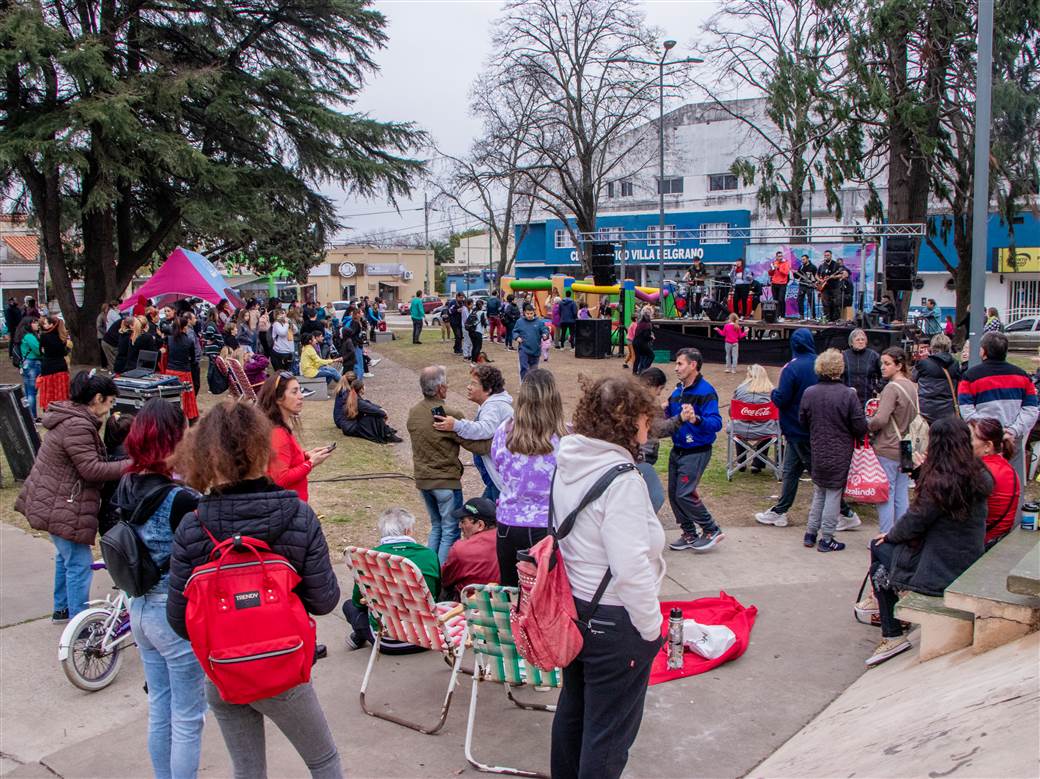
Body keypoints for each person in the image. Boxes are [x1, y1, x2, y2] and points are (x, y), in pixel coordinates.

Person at [165, 401, 342, 777]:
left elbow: (179, 620)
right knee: (323, 760)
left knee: (247, 770)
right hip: (282, 665)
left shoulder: (193, 526)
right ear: (262, 447)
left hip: (224, 668)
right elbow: (325, 599)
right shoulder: (297, 515)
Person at [550, 373, 665, 779]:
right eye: (645, 419)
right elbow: (630, 567)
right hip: (615, 620)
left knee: (575, 713)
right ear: (628, 420)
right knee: (608, 735)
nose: (649, 428)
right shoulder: (622, 480)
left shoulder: (568, 463)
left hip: (576, 611)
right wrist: (652, 629)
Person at [112, 399, 205, 779]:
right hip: (173, 613)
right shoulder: (180, 498)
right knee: (188, 716)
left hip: (138, 607)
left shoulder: (127, 482)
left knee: (161, 708)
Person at [864, 416, 992, 666]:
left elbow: (915, 521)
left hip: (939, 569)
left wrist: (889, 535)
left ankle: (892, 634)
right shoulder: (978, 473)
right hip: (966, 557)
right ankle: (884, 610)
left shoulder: (941, 483)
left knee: (878, 556)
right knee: (883, 557)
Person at [15, 371, 126, 621]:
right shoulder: (78, 425)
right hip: (63, 503)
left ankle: (62, 608)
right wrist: (134, 464)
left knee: (65, 558)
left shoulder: (70, 417)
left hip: (53, 499)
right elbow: (92, 469)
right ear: (98, 398)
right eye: (109, 402)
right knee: (78, 563)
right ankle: (80, 621)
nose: (110, 409)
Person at [755, 329, 861, 530]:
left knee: (819, 475)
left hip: (799, 428)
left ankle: (846, 513)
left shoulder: (792, 368)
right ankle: (780, 511)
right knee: (791, 470)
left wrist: (773, 393)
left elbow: (782, 398)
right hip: (813, 428)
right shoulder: (820, 363)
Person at [489, 368, 565, 586]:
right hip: (546, 525)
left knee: (511, 592)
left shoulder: (505, 432)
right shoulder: (564, 438)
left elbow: (498, 463)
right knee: (545, 596)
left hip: (509, 521)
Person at [343, 508, 440, 653]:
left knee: (349, 606)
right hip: (428, 636)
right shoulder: (429, 555)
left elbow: (358, 601)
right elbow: (436, 594)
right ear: (408, 531)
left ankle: (359, 635)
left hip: (387, 642)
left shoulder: (368, 559)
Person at [799, 349, 869, 551]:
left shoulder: (810, 392)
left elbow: (802, 420)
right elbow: (859, 425)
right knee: (833, 493)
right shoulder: (848, 394)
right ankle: (827, 537)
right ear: (840, 368)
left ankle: (811, 533)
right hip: (840, 449)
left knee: (819, 490)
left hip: (818, 447)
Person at [959, 331, 1038, 496]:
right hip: (1012, 438)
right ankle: (1014, 520)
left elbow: (966, 410)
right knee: (1013, 485)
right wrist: (1012, 431)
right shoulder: (1022, 376)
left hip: (983, 442)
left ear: (983, 351)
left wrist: (989, 433)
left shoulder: (970, 377)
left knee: (981, 486)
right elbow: (1031, 409)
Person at [666, 348, 725, 551]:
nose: (676, 368)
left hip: (697, 450)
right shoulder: (678, 390)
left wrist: (696, 419)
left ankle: (711, 529)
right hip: (678, 449)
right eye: (676, 364)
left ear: (693, 365)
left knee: (684, 493)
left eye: (680, 364)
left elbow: (716, 423)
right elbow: (669, 416)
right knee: (674, 494)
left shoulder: (706, 391)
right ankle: (689, 532)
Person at [406, 366, 466, 563]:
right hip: (445, 480)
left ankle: (429, 572)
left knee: (437, 526)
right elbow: (471, 440)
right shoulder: (449, 414)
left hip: (424, 479)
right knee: (450, 530)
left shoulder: (414, 412)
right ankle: (441, 575)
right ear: (441, 388)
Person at [432, 364, 513, 500]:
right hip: (497, 475)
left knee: (490, 513)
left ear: (488, 390)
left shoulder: (493, 406)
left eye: (474, 384)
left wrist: (456, 425)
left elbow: (484, 429)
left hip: (500, 478)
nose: (468, 387)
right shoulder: (492, 404)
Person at [257, 372, 333, 503]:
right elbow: (280, 479)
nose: (301, 396)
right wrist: (310, 463)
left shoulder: (279, 427)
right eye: (294, 392)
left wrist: (306, 456)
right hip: (287, 508)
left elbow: (285, 459)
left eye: (300, 391)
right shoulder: (277, 433)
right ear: (278, 398)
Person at [867, 347, 920, 534]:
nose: (883, 367)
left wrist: (869, 425)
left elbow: (881, 419)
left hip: (888, 445)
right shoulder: (912, 386)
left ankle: (886, 534)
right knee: (901, 493)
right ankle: (902, 532)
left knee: (886, 494)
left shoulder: (891, 388)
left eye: (887, 364)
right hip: (906, 446)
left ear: (899, 365)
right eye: (882, 363)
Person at [968, 417, 1021, 549]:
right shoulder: (1005, 466)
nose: (963, 444)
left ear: (987, 446)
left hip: (982, 543)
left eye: (969, 439)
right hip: (998, 538)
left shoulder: (982, 472)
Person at [440, 497, 500, 599]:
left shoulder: (460, 548)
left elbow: (445, 580)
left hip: (469, 607)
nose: (460, 526)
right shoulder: (509, 541)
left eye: (463, 521)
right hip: (504, 605)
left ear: (480, 525)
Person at [730, 364, 779, 474]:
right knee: (769, 426)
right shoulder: (772, 391)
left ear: (749, 375)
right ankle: (758, 464)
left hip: (741, 430)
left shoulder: (739, 389)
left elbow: (731, 412)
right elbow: (777, 413)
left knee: (738, 423)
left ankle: (741, 461)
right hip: (765, 431)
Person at [333, 374, 400, 443]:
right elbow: (370, 408)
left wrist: (380, 408)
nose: (365, 387)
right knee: (374, 416)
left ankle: (386, 432)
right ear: (361, 389)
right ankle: (386, 434)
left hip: (347, 426)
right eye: (364, 386)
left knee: (373, 415)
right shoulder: (356, 400)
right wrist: (383, 412)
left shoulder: (352, 396)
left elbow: (368, 403)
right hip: (350, 427)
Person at [913, 333, 961, 423]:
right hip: (948, 411)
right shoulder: (955, 364)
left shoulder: (925, 363)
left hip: (927, 411)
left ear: (932, 347)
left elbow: (914, 377)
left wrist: (921, 359)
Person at [37, 315, 71, 411]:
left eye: (46, 323)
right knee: (61, 392)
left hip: (48, 367)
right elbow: (65, 352)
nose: (43, 325)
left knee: (49, 391)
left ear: (52, 325)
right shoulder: (62, 338)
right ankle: (62, 410)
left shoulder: (44, 337)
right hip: (60, 367)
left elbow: (41, 351)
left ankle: (49, 409)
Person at [842, 328, 882, 408]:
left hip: (867, 397)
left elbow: (883, 374)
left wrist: (877, 388)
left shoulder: (873, 355)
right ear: (851, 342)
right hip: (847, 397)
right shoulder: (844, 355)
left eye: (863, 339)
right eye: (857, 340)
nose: (861, 342)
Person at [513, 302, 550, 380]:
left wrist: (545, 335)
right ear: (524, 313)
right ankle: (524, 384)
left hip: (535, 349)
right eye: (527, 313)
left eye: (531, 313)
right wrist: (517, 337)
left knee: (534, 371)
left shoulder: (539, 322)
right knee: (524, 367)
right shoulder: (520, 322)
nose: (529, 315)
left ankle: (532, 385)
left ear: (534, 313)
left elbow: (545, 330)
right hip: (523, 348)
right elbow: (514, 331)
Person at [16, 316, 42, 419]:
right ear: (28, 324)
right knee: (32, 393)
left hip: (25, 364)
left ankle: (28, 415)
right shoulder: (30, 336)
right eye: (34, 323)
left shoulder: (22, 336)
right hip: (33, 364)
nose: (37, 324)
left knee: (27, 392)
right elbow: (38, 350)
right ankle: (33, 417)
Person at [818, 250, 848, 322]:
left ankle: (835, 319)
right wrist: (821, 280)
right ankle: (826, 318)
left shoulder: (836, 265)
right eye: (825, 255)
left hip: (834, 287)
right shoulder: (822, 265)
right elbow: (817, 275)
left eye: (828, 255)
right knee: (825, 303)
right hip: (825, 288)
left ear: (831, 256)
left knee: (836, 303)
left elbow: (842, 274)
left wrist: (834, 277)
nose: (826, 257)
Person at [631, 306, 656, 375]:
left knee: (638, 357)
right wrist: (652, 337)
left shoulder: (640, 322)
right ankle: (644, 371)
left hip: (635, 342)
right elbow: (646, 336)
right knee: (651, 355)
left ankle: (635, 372)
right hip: (641, 343)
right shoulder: (648, 324)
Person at [768, 250, 790, 319]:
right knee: (775, 300)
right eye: (779, 256)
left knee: (781, 299)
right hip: (774, 283)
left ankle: (782, 315)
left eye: (781, 256)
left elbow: (786, 272)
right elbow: (770, 273)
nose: (780, 257)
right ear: (776, 257)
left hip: (782, 284)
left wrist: (778, 268)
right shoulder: (774, 263)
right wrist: (772, 269)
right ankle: (776, 315)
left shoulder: (785, 263)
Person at [795, 253, 817, 320]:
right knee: (799, 300)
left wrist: (813, 282)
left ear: (807, 259)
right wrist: (795, 273)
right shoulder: (801, 267)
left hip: (810, 286)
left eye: (804, 259)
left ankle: (813, 316)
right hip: (802, 285)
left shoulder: (813, 267)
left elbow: (816, 277)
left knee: (811, 301)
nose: (802, 261)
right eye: (802, 260)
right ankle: (801, 315)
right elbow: (797, 276)